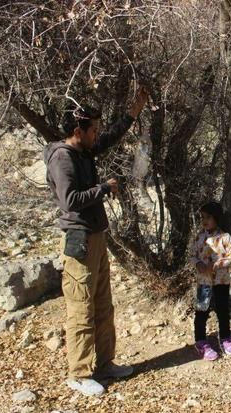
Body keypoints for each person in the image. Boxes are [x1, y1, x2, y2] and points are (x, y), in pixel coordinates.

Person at [43, 87, 148, 396]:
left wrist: (132, 113)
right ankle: (79, 372)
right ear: (79, 131)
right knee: (81, 307)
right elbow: (69, 200)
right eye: (94, 131)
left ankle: (104, 364)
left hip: (96, 237)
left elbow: (109, 139)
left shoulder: (83, 150)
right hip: (80, 240)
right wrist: (102, 189)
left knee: (102, 303)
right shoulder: (63, 158)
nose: (97, 136)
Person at [192, 201, 231, 361]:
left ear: (217, 218)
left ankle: (225, 338)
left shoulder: (225, 237)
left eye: (208, 217)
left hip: (221, 281)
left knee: (223, 310)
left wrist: (218, 264)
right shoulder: (199, 237)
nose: (204, 221)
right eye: (202, 217)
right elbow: (192, 256)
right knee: (201, 311)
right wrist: (198, 264)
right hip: (204, 282)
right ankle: (200, 341)